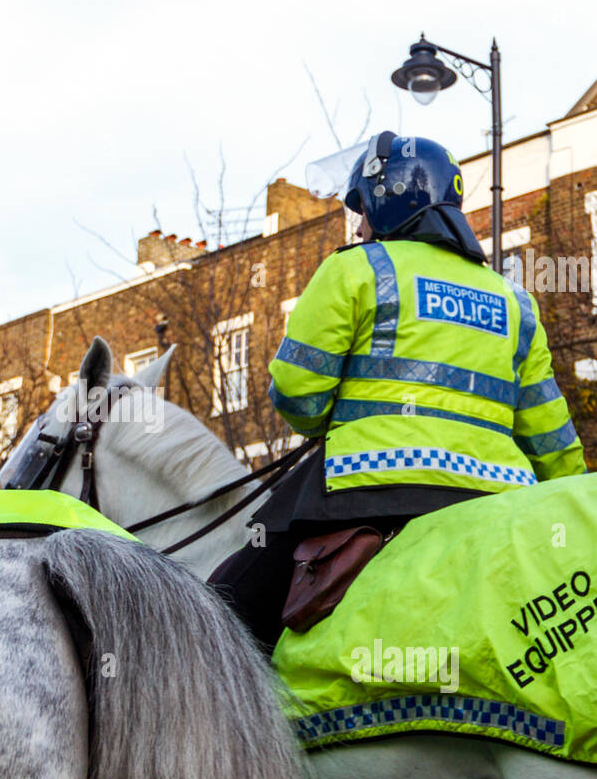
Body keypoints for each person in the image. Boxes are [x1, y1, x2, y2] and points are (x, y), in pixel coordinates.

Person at [209, 131, 586, 653]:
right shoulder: (516, 302)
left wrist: (332, 423)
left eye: (363, 208)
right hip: (500, 506)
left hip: (365, 490)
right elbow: (551, 437)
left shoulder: (356, 268)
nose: (360, 224)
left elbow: (295, 391)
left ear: (390, 198)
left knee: (217, 612)